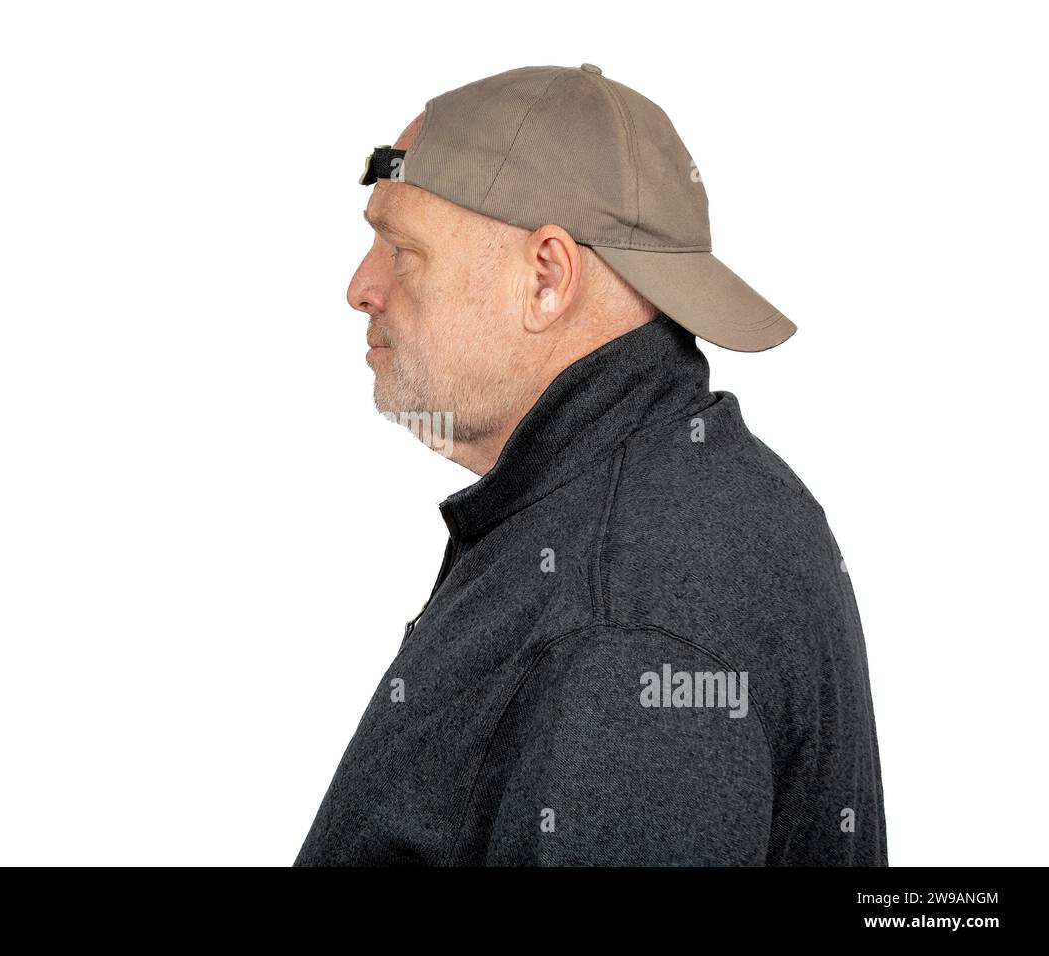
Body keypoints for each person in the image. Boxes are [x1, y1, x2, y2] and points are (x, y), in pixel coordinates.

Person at [294, 64, 886, 865]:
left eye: (401, 249)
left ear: (546, 278)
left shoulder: (625, 626)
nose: (361, 288)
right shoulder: (689, 490)